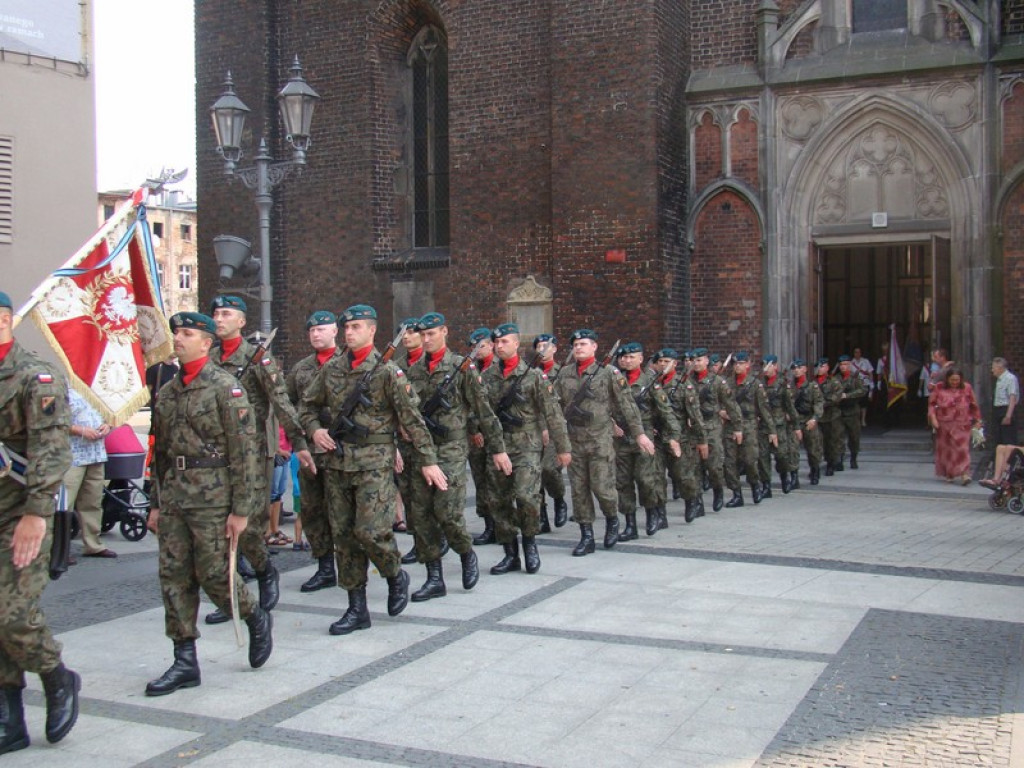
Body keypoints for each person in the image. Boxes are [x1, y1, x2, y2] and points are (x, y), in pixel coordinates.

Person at [299, 304, 448, 635]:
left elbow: (411, 418)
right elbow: (306, 407)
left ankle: (395, 573)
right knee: (344, 536)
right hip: (337, 463)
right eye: (346, 327)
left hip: (374, 462)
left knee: (370, 531)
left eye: (356, 327)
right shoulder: (332, 369)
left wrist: (428, 460)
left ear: (371, 331)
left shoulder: (386, 372)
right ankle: (356, 608)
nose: (349, 332)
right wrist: (315, 431)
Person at [145, 311, 273, 696]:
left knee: (216, 574)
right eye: (176, 334)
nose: (179, 339)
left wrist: (241, 511)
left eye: (187, 334)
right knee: (174, 577)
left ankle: (254, 616)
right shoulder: (167, 392)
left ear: (206, 343)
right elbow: (161, 454)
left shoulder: (226, 388)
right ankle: (185, 660)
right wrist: (154, 503)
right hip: (175, 497)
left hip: (215, 497)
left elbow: (245, 452)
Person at [0, 290, 80, 753]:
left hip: (20, 511)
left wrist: (35, 513)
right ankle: (10, 718)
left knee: (12, 616)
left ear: (7, 320)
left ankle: (56, 675)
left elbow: (52, 449)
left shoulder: (36, 376)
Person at [204, 295, 313, 625]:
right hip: (213, 456)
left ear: (241, 322)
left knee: (249, 527)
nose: (219, 319)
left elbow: (281, 403)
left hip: (250, 453)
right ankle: (232, 598)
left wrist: (299, 443)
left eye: (226, 314)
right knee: (218, 530)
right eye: (215, 313)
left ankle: (265, 571)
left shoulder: (258, 359)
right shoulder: (206, 358)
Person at [405, 312, 510, 595]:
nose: (426, 339)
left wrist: (498, 449)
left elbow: (484, 413)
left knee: (448, 513)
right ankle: (434, 577)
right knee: (422, 516)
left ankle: (466, 553)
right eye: (422, 335)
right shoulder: (412, 371)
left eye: (431, 334)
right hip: (421, 451)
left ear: (444, 332)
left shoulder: (462, 368)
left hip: (451, 449)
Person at [554, 330, 653, 555]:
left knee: (602, 487)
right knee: (579, 490)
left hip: (600, 440)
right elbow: (555, 406)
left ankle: (611, 519)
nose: (579, 348)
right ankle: (586, 536)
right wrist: (553, 433)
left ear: (594, 347)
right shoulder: (565, 374)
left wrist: (639, 433)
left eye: (584, 344)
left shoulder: (609, 373)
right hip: (574, 440)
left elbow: (626, 404)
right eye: (576, 344)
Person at [482, 323, 569, 573]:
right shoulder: (487, 376)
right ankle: (510, 553)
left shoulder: (533, 376)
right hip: (498, 447)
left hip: (527, 446)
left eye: (505, 342)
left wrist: (563, 448)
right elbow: (481, 412)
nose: (499, 346)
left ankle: (530, 545)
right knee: (498, 500)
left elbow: (553, 414)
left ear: (517, 344)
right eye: (496, 342)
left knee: (526, 496)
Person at [286, 310, 342, 592]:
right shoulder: (301, 369)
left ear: (335, 332)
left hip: (343, 451)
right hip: (310, 451)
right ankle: (324, 567)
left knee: (342, 511)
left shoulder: (347, 363)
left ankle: (349, 565)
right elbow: (289, 405)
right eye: (312, 330)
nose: (316, 334)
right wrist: (299, 440)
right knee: (311, 509)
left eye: (322, 329)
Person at [612, 343, 680, 538]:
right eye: (624, 357)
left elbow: (666, 411)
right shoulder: (615, 380)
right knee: (623, 482)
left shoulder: (651, 381)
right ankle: (630, 524)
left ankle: (653, 515)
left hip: (646, 437)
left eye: (631, 357)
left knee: (645, 479)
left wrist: (673, 437)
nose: (626, 360)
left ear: (641, 359)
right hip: (622, 438)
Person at [654, 349, 707, 523]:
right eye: (660, 361)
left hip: (680, 437)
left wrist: (702, 440)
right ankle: (660, 514)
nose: (662, 364)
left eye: (666, 361)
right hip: (657, 437)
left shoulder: (685, 385)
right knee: (657, 477)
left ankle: (692, 502)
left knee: (683, 475)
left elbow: (695, 415)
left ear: (675, 364)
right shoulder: (652, 383)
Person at [64, 389, 116, 558]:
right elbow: (51, 421)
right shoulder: (60, 388)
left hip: (95, 453)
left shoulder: (94, 389)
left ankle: (93, 544)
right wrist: (79, 430)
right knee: (64, 505)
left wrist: (107, 425)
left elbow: (109, 414)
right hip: (72, 455)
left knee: (92, 501)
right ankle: (58, 549)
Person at [690, 347, 743, 511]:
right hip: (692, 429)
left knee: (714, 466)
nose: (696, 363)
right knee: (694, 467)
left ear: (706, 361)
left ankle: (718, 491)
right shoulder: (686, 381)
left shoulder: (718, 382)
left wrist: (738, 427)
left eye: (699, 360)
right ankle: (697, 501)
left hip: (712, 427)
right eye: (693, 360)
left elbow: (731, 406)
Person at [723, 351, 775, 507]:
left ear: (747, 365)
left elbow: (764, 410)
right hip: (730, 426)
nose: (737, 366)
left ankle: (755, 486)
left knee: (750, 460)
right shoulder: (726, 384)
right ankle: (736, 494)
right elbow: (717, 403)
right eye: (735, 363)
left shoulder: (755, 385)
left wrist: (772, 431)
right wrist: (721, 412)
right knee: (730, 462)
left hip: (749, 426)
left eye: (741, 363)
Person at [393, 319, 424, 561]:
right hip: (405, 440)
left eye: (411, 332)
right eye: (402, 333)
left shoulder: (433, 363)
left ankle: (437, 536)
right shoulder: (396, 366)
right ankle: (418, 540)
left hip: (430, 438)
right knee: (409, 492)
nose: (406, 337)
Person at [467, 327, 499, 545]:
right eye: (474, 346)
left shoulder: (498, 369)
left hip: (496, 435)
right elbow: (467, 404)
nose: (477, 350)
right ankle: (488, 525)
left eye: (482, 345)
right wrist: (473, 430)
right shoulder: (469, 370)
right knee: (481, 482)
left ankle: (500, 524)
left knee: (496, 483)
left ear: (492, 346)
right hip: (476, 438)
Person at [533, 333, 568, 530]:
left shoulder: (563, 373)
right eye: (539, 346)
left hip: (555, 429)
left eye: (547, 346)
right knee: (534, 474)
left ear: (555, 349)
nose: (543, 349)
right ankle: (542, 518)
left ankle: (559, 497)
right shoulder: (529, 372)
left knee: (548, 469)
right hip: (534, 429)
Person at [928, 366, 981, 485]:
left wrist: (978, 420)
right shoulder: (939, 387)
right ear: (947, 379)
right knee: (947, 449)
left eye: (957, 380)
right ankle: (949, 473)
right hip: (944, 423)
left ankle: (965, 473)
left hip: (962, 423)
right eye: (952, 380)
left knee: (962, 448)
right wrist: (933, 418)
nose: (955, 382)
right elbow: (932, 404)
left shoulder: (967, 387)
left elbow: (973, 404)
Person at [759, 355, 800, 495]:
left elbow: (790, 406)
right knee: (763, 457)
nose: (766, 368)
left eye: (769, 365)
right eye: (764, 365)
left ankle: (784, 476)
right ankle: (766, 486)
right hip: (763, 425)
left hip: (779, 425)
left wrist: (796, 426)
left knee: (781, 455)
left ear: (775, 366)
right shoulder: (759, 384)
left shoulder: (783, 383)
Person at [790, 359, 823, 486]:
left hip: (809, 420)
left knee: (813, 450)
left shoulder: (812, 386)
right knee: (793, 450)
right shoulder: (789, 386)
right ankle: (794, 477)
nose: (797, 370)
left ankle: (815, 471)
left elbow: (819, 403)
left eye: (799, 368)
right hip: (795, 422)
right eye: (794, 368)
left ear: (805, 369)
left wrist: (815, 418)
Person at [835, 354, 868, 468]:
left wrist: (847, 395)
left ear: (849, 365)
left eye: (845, 364)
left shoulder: (856, 377)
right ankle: (839, 459)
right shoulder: (836, 379)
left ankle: (853, 457)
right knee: (838, 436)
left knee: (854, 437)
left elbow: (862, 390)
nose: (843, 367)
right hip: (839, 411)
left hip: (852, 412)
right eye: (841, 365)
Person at [817, 357, 843, 474]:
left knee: (831, 441)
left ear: (827, 368)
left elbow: (836, 397)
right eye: (818, 366)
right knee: (817, 442)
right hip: (818, 416)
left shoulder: (834, 382)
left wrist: (821, 403)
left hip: (831, 416)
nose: (819, 369)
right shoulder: (813, 383)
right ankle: (815, 466)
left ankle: (831, 463)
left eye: (822, 366)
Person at [991, 357, 1019, 448]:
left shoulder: (1010, 378)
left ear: (1000, 367)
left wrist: (1008, 416)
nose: (992, 370)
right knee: (999, 439)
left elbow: (1012, 397)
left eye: (993, 367)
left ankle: (1011, 460)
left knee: (1008, 439)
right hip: (998, 410)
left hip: (1006, 409)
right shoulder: (999, 380)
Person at [850, 348, 874, 426]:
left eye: (859, 352)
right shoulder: (851, 363)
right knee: (857, 403)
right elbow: (850, 376)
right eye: (856, 352)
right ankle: (857, 420)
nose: (857, 353)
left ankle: (863, 419)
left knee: (864, 403)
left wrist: (871, 383)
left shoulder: (865, 361)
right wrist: (855, 373)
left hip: (864, 383)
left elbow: (870, 373)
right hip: (856, 385)